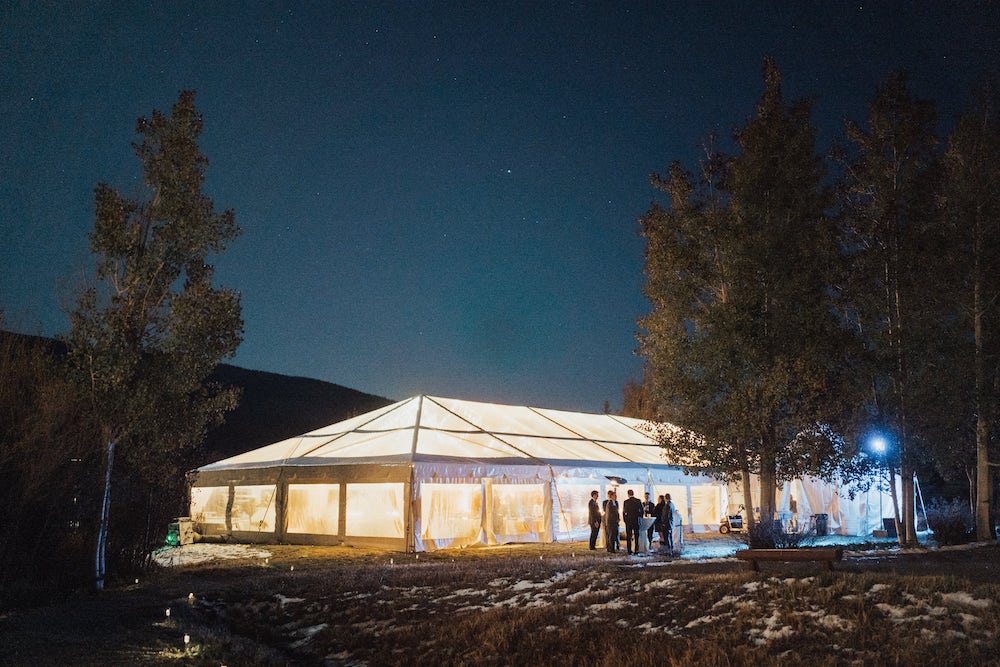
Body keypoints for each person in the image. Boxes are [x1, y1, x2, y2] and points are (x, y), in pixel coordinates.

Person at [622, 489, 643, 555]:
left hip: (628, 521)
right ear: (633, 493)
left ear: (628, 494)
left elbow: (624, 512)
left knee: (629, 536)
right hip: (636, 520)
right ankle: (636, 550)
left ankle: (629, 550)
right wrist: (639, 517)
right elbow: (642, 511)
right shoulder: (638, 501)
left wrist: (625, 520)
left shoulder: (626, 502)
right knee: (636, 536)